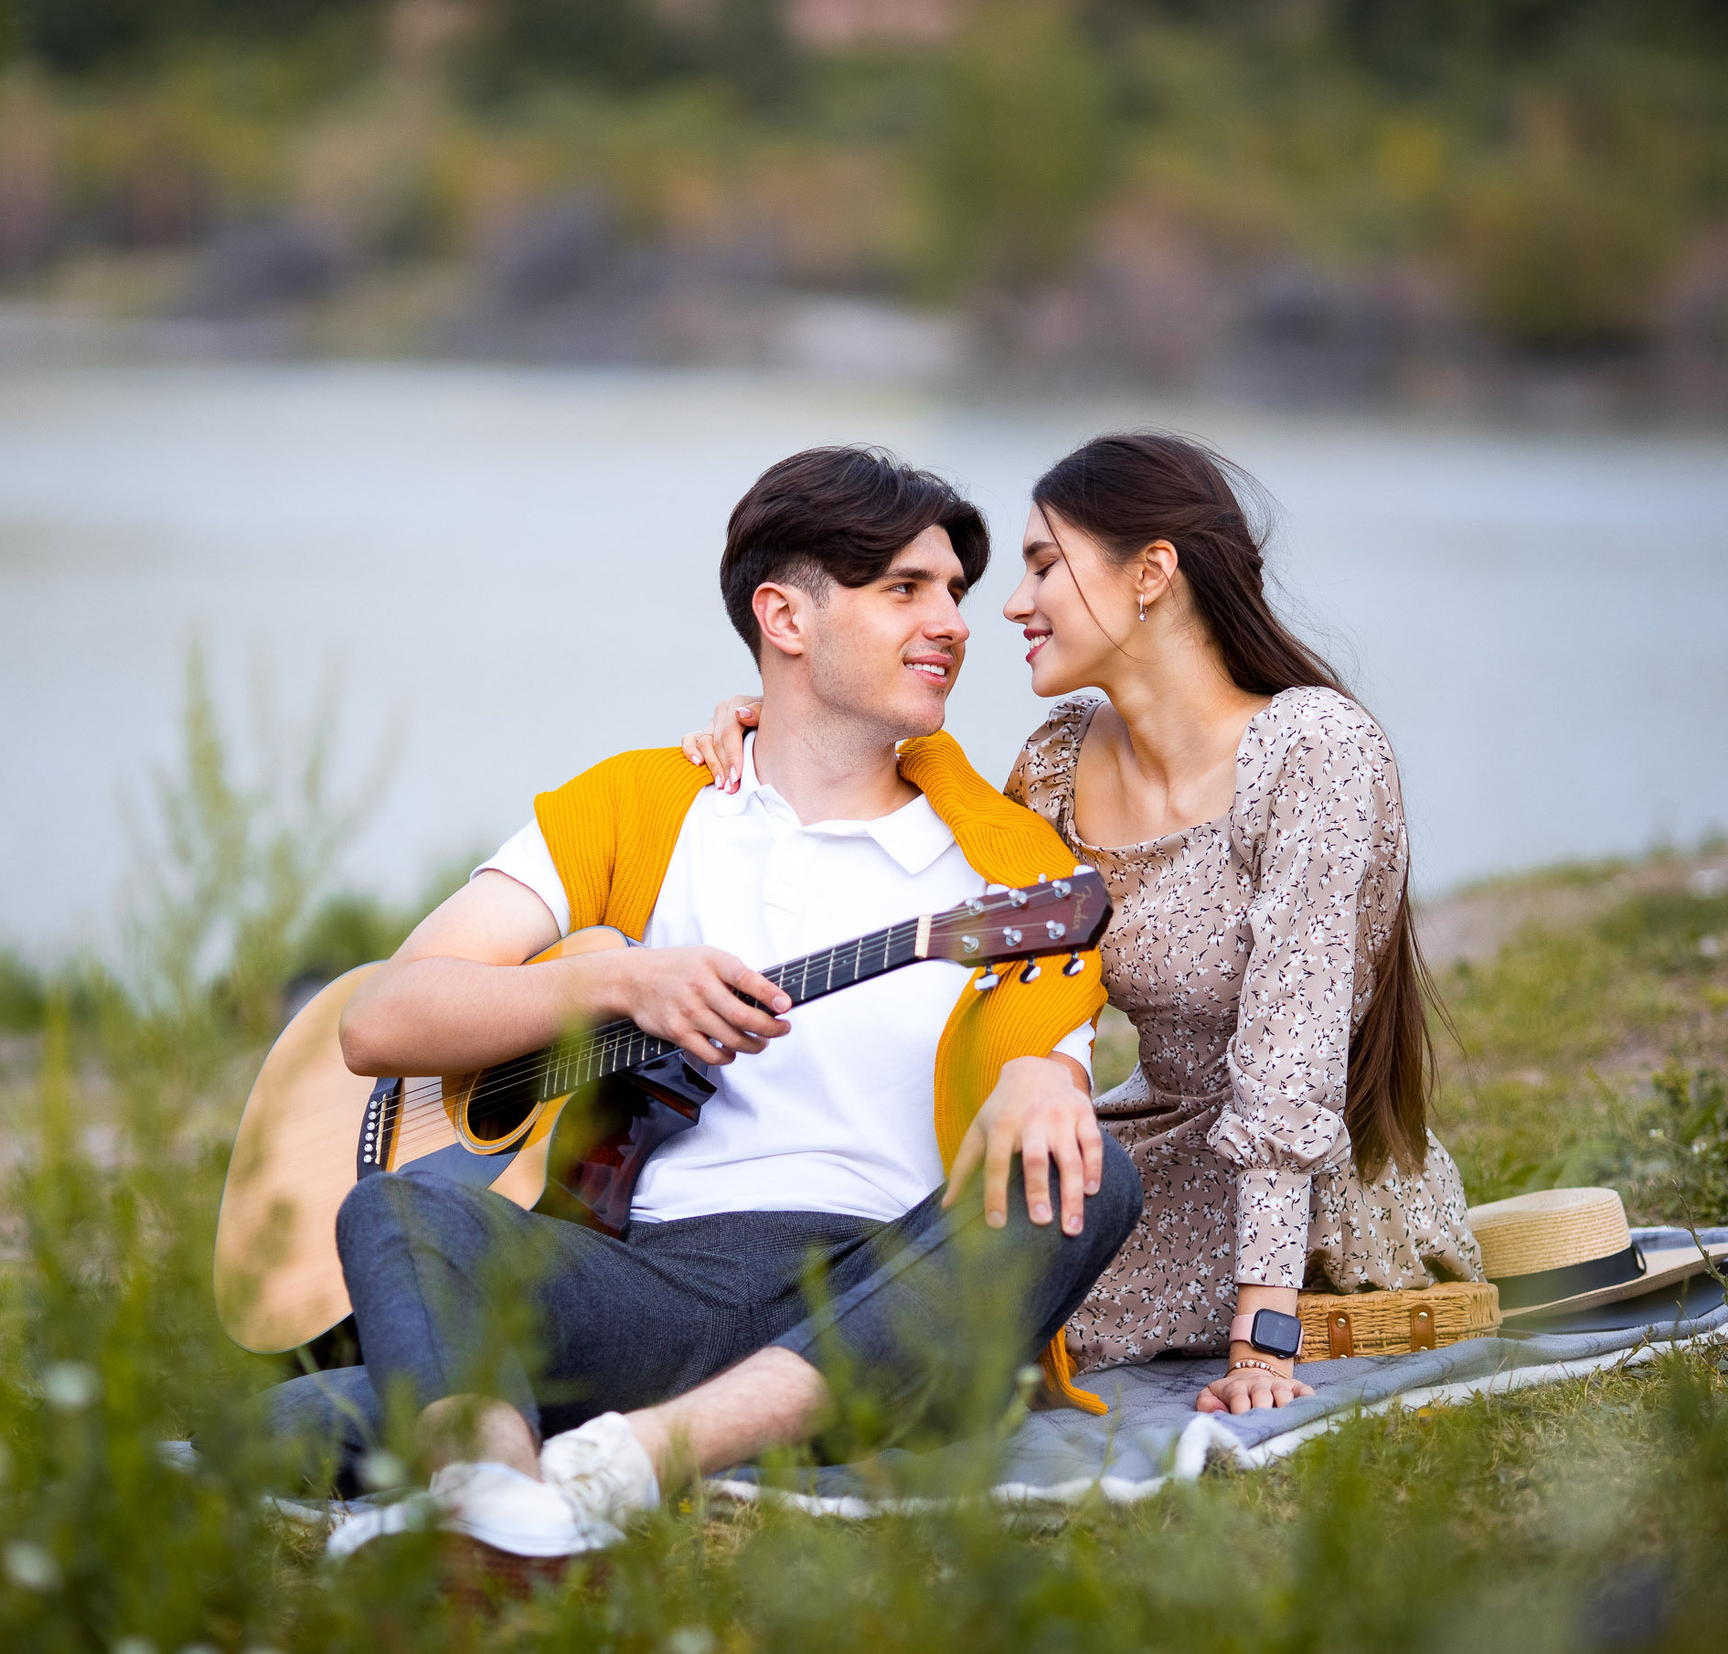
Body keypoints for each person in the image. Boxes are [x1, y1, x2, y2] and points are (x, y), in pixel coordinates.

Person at [271, 446, 1142, 1567]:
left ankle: (626, 1459)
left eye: (956, 594)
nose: (955, 623)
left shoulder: (1010, 862)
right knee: (398, 1222)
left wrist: (1044, 1072)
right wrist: (616, 980)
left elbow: (1046, 1070)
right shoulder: (643, 803)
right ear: (784, 615)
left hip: (881, 1284)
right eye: (905, 590)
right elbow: (380, 1019)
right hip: (651, 1284)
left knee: (1085, 1183)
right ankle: (495, 1514)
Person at [686, 432, 1484, 1419]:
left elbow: (1292, 1072)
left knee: (939, 1307)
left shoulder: (1311, 749)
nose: (1011, 605)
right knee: (882, 1242)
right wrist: (782, 715)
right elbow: (966, 873)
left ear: (1151, 573)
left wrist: (1261, 1339)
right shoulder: (1060, 759)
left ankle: (683, 1414)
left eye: (1041, 566)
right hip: (1131, 1142)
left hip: (1288, 1201)